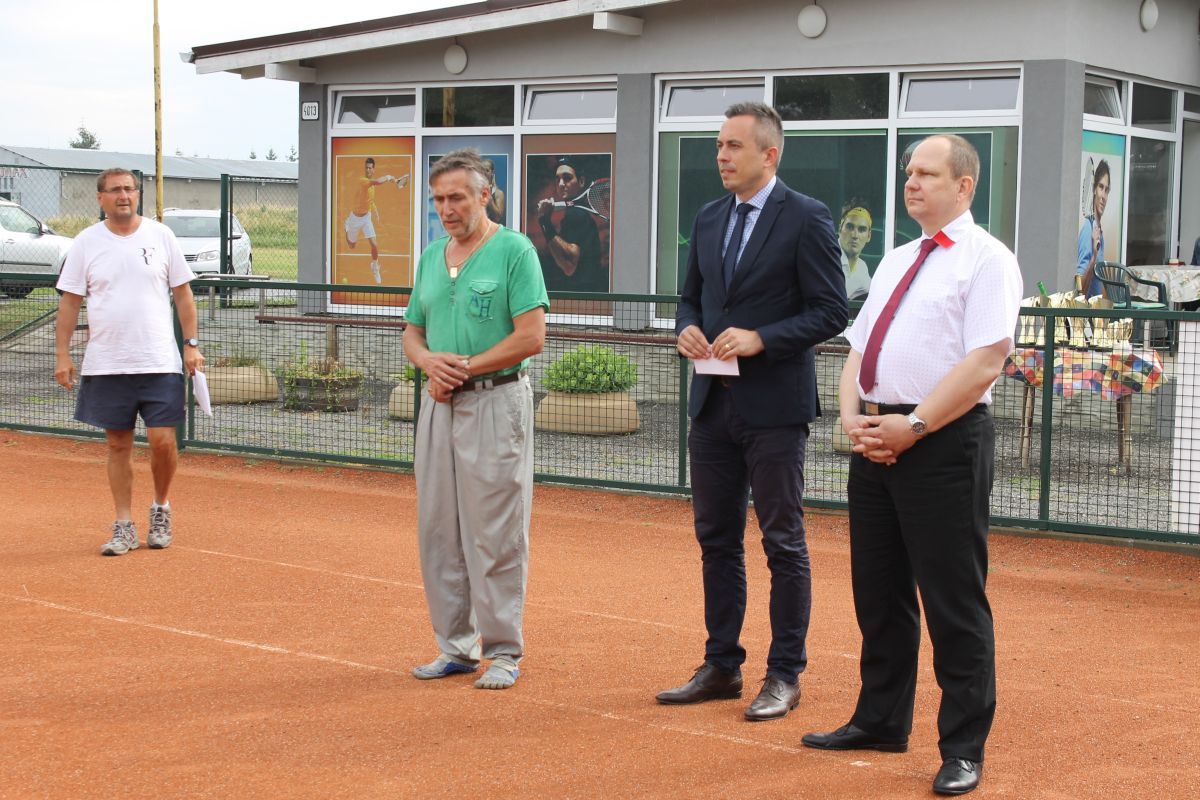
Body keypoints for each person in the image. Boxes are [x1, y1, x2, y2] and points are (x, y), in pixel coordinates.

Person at [802, 135, 1022, 797]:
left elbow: (986, 361)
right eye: (909, 172)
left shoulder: (988, 260)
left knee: (953, 599)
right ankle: (880, 721)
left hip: (943, 442)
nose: (912, 182)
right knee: (879, 592)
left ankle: (963, 748)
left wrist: (916, 424)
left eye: (927, 173)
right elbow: (857, 347)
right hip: (876, 438)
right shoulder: (898, 259)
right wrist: (852, 417)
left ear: (965, 186)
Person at [660, 102, 847, 721]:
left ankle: (785, 674)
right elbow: (690, 298)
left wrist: (762, 338)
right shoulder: (709, 216)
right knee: (716, 539)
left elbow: (831, 311)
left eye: (733, 146)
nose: (721, 155)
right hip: (712, 405)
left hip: (774, 409)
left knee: (782, 542)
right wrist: (686, 329)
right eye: (719, 145)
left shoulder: (807, 217)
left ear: (770, 154)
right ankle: (721, 665)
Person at [402, 148, 548, 690]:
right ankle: (455, 647)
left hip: (495, 401)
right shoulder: (431, 256)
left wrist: (462, 367)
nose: (446, 209)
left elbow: (531, 337)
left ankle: (503, 651)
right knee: (439, 529)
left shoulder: (515, 251)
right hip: (439, 405)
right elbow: (413, 331)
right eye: (438, 199)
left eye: (457, 198)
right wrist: (428, 362)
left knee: (496, 531)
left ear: (485, 195)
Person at [54, 168, 204, 556]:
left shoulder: (161, 236)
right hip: (107, 363)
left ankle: (161, 507)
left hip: (159, 360)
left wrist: (191, 345)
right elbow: (69, 302)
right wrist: (62, 354)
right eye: (115, 190)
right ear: (100, 198)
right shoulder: (86, 243)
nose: (123, 195)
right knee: (118, 444)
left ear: (137, 195)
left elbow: (183, 295)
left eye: (129, 189)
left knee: (162, 442)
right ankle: (123, 525)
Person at [536, 156, 606, 291]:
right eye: (557, 179)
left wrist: (545, 223)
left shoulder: (577, 215)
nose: (561, 184)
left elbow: (569, 267)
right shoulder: (576, 214)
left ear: (581, 181)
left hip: (581, 295)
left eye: (567, 178)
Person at [344, 157, 410, 284]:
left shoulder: (371, 186)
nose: (368, 170)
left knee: (374, 244)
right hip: (354, 219)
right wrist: (389, 176)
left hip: (366, 218)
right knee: (351, 245)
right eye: (366, 168)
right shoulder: (363, 181)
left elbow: (370, 200)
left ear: (373, 169)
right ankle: (346, 227)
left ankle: (374, 266)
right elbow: (378, 182)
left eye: (370, 168)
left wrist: (375, 210)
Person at [1076, 159, 1110, 297]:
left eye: (1106, 190)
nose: (1103, 196)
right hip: (1085, 311)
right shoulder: (1087, 230)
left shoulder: (1099, 232)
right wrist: (1094, 257)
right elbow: (1080, 290)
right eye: (1101, 187)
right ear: (1094, 189)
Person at [839, 203, 874, 300]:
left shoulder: (862, 267)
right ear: (840, 229)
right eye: (850, 227)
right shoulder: (825, 258)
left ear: (869, 236)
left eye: (861, 229)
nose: (855, 235)